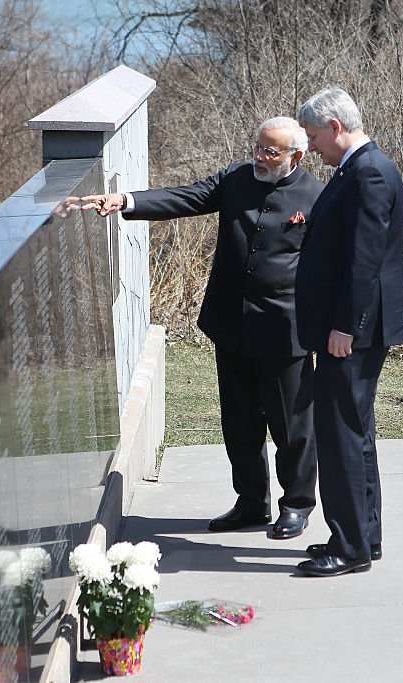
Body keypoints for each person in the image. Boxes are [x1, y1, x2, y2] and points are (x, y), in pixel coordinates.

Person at [80, 117, 324, 540]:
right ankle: (251, 504)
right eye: (258, 147)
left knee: (292, 429)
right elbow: (186, 197)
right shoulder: (235, 178)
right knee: (239, 424)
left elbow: (330, 267)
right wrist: (126, 200)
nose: (260, 158)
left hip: (286, 333)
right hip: (231, 326)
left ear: (295, 156)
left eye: (271, 152)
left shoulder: (317, 197)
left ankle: (297, 506)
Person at [293, 88, 403, 577]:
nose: (312, 148)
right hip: (350, 328)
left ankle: (350, 546)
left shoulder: (369, 173)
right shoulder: (358, 169)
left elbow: (364, 262)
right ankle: (363, 536)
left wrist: (345, 326)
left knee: (341, 435)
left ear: (336, 128)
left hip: (352, 332)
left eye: (315, 137)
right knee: (354, 434)